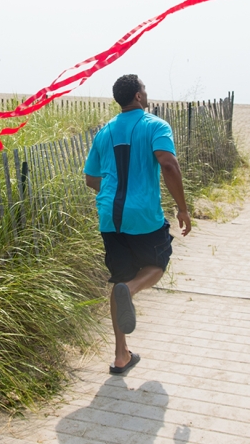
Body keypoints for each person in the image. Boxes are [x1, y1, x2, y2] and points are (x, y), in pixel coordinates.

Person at [83, 74, 192, 376]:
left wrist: (112, 195)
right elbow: (168, 164)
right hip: (143, 215)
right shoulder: (155, 125)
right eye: (144, 88)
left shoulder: (104, 133)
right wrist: (182, 208)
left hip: (109, 217)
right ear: (139, 97)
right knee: (157, 263)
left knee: (119, 278)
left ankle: (121, 355)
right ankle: (130, 290)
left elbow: (91, 179)